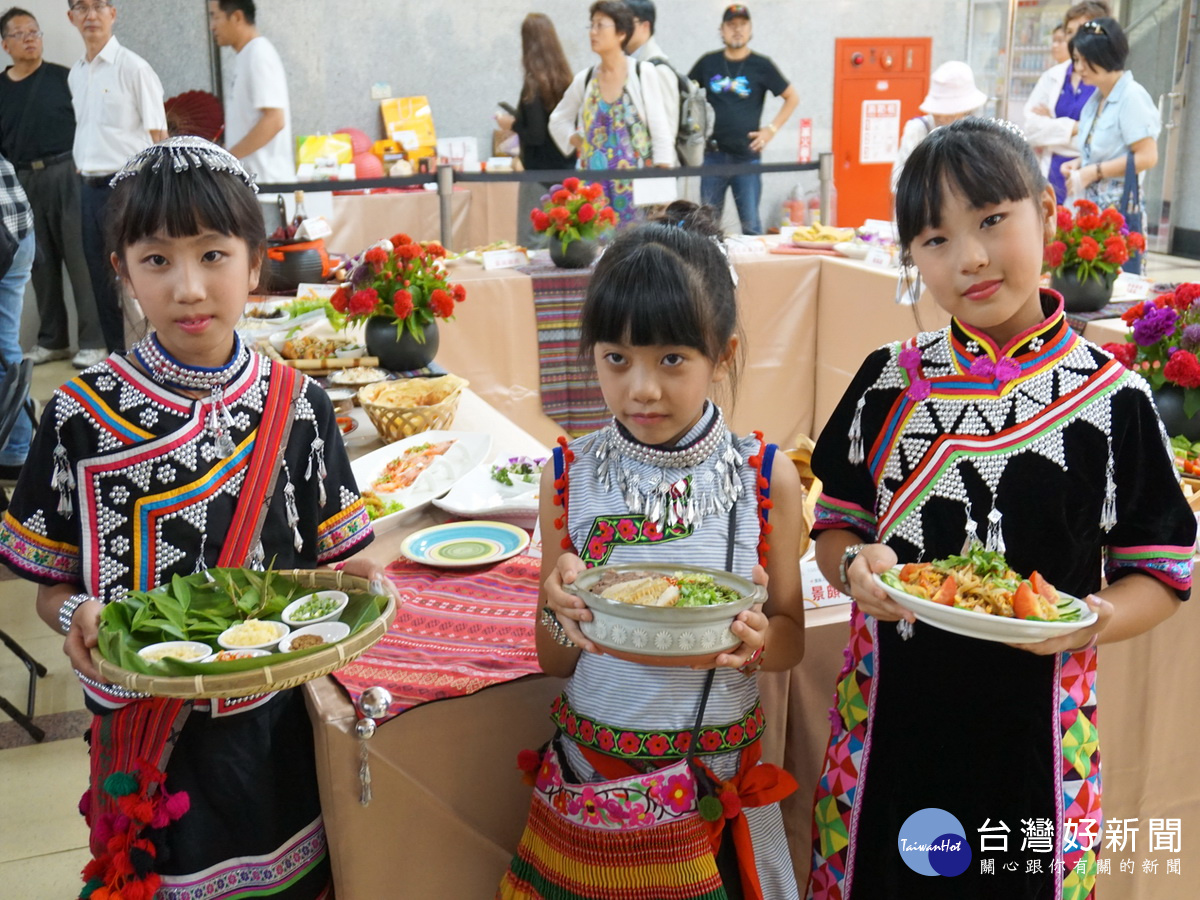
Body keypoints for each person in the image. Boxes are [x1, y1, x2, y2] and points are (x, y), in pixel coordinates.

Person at [806, 118, 1195, 899]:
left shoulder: (1114, 401)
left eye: (991, 221)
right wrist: (854, 564)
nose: (970, 258)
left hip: (1038, 743)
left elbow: (1162, 571)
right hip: (889, 732)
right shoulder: (886, 382)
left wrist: (1094, 619)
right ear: (911, 257)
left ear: (1046, 211)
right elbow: (835, 523)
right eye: (935, 238)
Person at [0, 137, 386, 899]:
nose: (187, 288)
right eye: (156, 260)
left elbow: (337, 566)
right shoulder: (79, 416)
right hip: (148, 749)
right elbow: (48, 588)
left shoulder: (301, 409)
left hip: (280, 735)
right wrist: (78, 612)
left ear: (255, 262)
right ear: (121, 272)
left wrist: (364, 582)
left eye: (213, 255)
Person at [497, 202, 806, 900]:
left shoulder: (764, 477)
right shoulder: (569, 474)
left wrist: (759, 641)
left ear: (722, 354)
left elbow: (791, 640)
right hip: (598, 778)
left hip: (713, 783)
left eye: (671, 359)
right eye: (616, 359)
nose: (641, 388)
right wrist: (560, 608)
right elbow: (555, 661)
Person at [0, 6, 103, 367]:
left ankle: (93, 341)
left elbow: (90, 124)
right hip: (20, 183)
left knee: (81, 259)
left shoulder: (66, 77)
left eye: (35, 31)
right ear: (5, 44)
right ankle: (52, 340)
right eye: (20, 33)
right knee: (37, 266)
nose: (30, 39)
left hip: (67, 172)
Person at [68, 0, 167, 358]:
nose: (90, 15)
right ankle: (117, 358)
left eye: (99, 6)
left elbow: (159, 136)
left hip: (128, 186)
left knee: (135, 275)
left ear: (113, 14)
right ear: (71, 18)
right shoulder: (76, 73)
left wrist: (160, 194)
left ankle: (153, 358)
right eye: (81, 7)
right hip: (89, 188)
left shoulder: (134, 68)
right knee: (101, 278)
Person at [549, 0, 675, 227]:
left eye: (600, 25)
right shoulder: (585, 79)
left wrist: (662, 186)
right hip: (594, 189)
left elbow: (660, 131)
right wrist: (576, 140)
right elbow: (558, 119)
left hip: (638, 189)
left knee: (638, 249)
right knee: (597, 251)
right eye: (591, 25)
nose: (593, 32)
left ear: (621, 33)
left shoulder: (642, 72)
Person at [689, 4, 798, 235]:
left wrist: (771, 129)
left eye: (742, 25)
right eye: (731, 25)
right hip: (712, 157)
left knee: (751, 226)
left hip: (746, 157)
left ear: (750, 29)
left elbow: (792, 97)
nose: (737, 30)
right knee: (705, 227)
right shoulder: (708, 63)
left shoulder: (762, 65)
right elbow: (684, 94)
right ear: (722, 30)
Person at [1062, 16, 1159, 274]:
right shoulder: (1096, 99)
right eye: (1076, 60)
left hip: (1116, 214)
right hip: (1092, 211)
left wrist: (1093, 171)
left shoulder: (1131, 97)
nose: (1079, 68)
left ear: (1105, 56)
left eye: (1085, 60)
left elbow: (1147, 157)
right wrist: (1081, 163)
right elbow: (1100, 149)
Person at [495, 13, 575, 246]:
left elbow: (536, 134)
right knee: (562, 239)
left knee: (532, 241)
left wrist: (512, 124)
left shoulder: (533, 83)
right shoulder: (565, 79)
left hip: (538, 173)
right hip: (566, 171)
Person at [1023, 1, 1111, 203]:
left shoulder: (1107, 80)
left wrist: (1052, 127)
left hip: (1088, 176)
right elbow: (1030, 129)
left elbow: (1105, 139)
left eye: (1082, 30)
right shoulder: (1053, 76)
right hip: (1050, 172)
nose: (1074, 38)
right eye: (1070, 32)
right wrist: (1077, 127)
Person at [208, 0, 294, 184]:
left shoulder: (259, 54)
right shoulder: (247, 55)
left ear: (237, 17)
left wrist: (228, 158)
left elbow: (275, 120)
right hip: (251, 186)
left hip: (266, 186)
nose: (212, 26)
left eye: (215, 17)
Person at [888, 60, 986, 193]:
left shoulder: (977, 133)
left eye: (949, 112)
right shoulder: (918, 130)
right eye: (938, 112)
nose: (941, 116)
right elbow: (899, 182)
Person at [0, 150, 33, 481]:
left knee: (2, 346)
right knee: (5, 342)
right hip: (20, 231)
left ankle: (17, 451)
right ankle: (16, 449)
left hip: (7, 240)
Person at [625, 0, 680, 152]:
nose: (620, 29)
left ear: (645, 26)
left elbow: (667, 133)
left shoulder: (658, 69)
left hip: (653, 169)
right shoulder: (627, 62)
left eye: (626, 22)